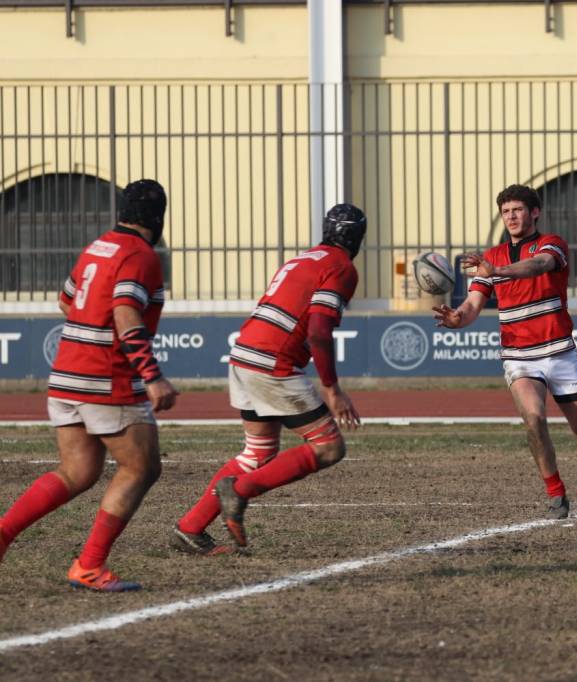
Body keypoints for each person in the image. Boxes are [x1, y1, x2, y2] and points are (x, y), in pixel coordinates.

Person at [0, 179, 177, 591]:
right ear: (158, 217)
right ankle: (90, 565)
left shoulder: (98, 247)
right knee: (142, 467)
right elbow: (125, 312)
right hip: (106, 378)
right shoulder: (140, 255)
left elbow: (66, 301)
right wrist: (151, 376)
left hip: (66, 374)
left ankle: (3, 534)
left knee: (77, 471)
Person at [432, 184, 577, 519]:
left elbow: (539, 265)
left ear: (535, 212)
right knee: (534, 419)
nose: (511, 217)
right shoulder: (492, 257)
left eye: (517, 210)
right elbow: (473, 303)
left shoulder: (552, 244)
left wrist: (497, 271)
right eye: (505, 212)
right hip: (519, 356)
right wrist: (458, 318)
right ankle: (556, 495)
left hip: (560, 353)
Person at [170, 204, 364, 554]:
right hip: (271, 362)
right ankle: (238, 491)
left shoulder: (304, 259)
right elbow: (319, 331)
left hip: (244, 352)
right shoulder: (341, 267)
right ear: (359, 238)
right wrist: (332, 388)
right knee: (329, 447)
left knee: (257, 452)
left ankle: (190, 527)